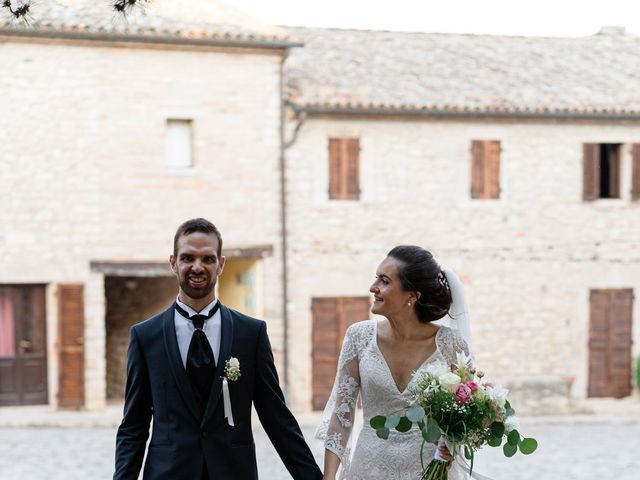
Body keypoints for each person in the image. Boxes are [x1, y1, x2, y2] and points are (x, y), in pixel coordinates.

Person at [114, 218, 322, 480]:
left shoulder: (251, 334)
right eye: (188, 257)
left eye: (208, 259)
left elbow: (276, 417)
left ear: (220, 264)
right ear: (173, 263)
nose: (197, 267)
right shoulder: (146, 336)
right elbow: (134, 425)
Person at [317, 245, 472, 480]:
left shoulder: (452, 344)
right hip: (369, 469)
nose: (373, 287)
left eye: (384, 281)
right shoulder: (359, 337)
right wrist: (328, 477)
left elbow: (463, 418)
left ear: (413, 295)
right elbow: (342, 414)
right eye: (376, 278)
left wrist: (450, 449)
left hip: (430, 470)